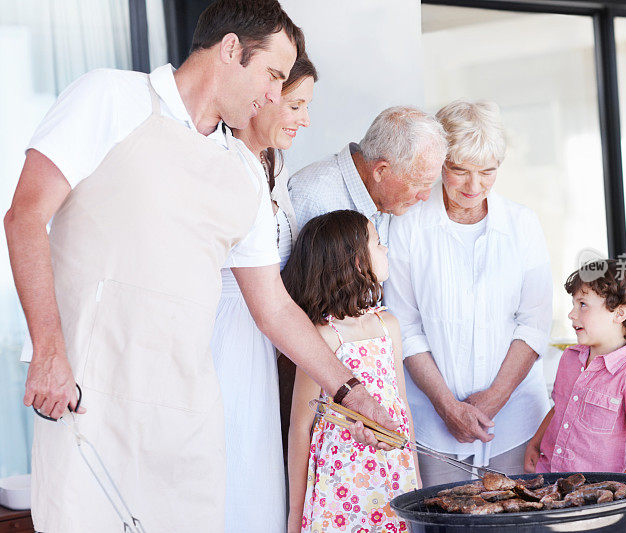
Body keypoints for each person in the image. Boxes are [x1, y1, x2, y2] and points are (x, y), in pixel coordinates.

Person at [5, 2, 393, 531]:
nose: (275, 97)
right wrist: (49, 351)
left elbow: (274, 308)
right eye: (273, 75)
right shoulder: (111, 97)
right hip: (90, 403)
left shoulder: (245, 172)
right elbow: (25, 216)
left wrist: (352, 392)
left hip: (189, 418)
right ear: (231, 51)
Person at [383, 100, 553, 487]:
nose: (473, 186)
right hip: (433, 420)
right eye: (458, 170)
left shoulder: (523, 225)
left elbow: (535, 323)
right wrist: (447, 406)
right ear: (439, 162)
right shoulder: (408, 226)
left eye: (487, 171)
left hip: (515, 420)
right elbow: (404, 326)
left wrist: (494, 398)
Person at [210, 53, 316, 533]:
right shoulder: (220, 160)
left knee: (259, 473)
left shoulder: (277, 164)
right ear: (263, 98)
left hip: (266, 342)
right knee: (228, 470)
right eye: (295, 105)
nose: (304, 119)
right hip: (223, 339)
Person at [282, 210, 421, 533]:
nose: (386, 250)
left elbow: (401, 407)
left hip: (393, 478)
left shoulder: (389, 326)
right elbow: (301, 427)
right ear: (358, 262)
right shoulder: (323, 337)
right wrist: (295, 513)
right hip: (340, 485)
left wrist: (415, 478)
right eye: (378, 243)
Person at [523, 259, 626, 475]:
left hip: (596, 496)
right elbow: (560, 408)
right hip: (548, 480)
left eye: (583, 304)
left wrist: (624, 491)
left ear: (619, 314)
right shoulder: (570, 359)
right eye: (573, 304)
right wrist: (535, 444)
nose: (572, 314)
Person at [287, 105, 447, 244]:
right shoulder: (312, 198)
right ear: (380, 171)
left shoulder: (384, 198)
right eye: (419, 183)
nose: (425, 196)